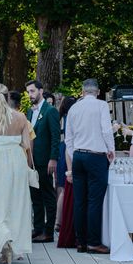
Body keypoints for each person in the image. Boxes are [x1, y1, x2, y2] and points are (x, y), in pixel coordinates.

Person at [0, 91, 33, 264]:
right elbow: (26, 145)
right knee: (17, 203)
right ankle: (14, 243)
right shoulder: (21, 117)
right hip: (17, 161)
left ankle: (3, 244)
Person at [65, 78, 115, 254]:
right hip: (96, 156)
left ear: (82, 91)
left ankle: (81, 242)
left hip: (78, 156)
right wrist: (111, 150)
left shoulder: (73, 108)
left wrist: (74, 154)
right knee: (94, 201)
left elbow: (68, 138)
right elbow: (106, 130)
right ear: (98, 91)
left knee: (80, 201)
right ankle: (93, 242)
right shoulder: (101, 106)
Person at [25, 80, 60, 243]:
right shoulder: (30, 112)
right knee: (35, 196)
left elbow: (55, 137)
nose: (30, 95)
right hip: (32, 160)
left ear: (41, 90)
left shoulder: (50, 111)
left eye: (32, 91)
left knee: (48, 196)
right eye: (28, 92)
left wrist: (53, 158)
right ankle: (37, 228)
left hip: (45, 160)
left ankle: (48, 231)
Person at [55, 96, 76, 234]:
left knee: (61, 188)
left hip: (60, 150)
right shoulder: (70, 118)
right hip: (67, 151)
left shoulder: (60, 117)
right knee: (64, 188)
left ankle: (59, 220)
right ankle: (59, 220)